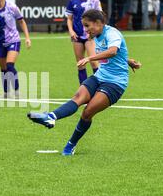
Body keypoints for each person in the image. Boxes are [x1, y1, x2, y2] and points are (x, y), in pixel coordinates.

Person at [27, 9, 141, 156]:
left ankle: (71, 145)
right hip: (100, 76)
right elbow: (116, 54)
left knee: (87, 113)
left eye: (87, 26)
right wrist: (128, 61)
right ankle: (50, 117)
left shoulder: (112, 33)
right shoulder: (98, 35)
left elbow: (113, 51)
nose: (86, 30)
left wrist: (89, 58)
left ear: (98, 23)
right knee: (78, 97)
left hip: (115, 83)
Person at [66, 0, 102, 85]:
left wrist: (93, 32)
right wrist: (71, 31)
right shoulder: (72, 0)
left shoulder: (94, 0)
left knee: (94, 63)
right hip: (77, 36)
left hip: (90, 36)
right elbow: (69, 18)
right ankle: (84, 89)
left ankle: (100, 86)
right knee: (80, 64)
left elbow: (100, 17)